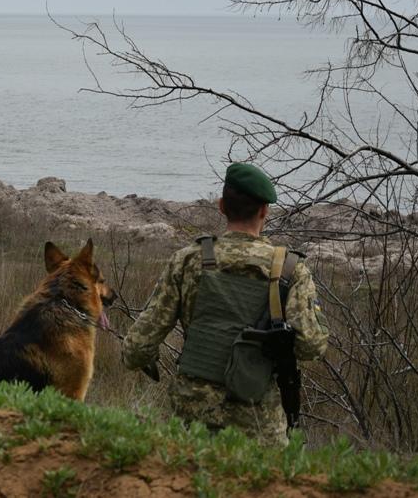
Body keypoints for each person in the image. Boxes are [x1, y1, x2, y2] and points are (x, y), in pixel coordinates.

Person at [121, 163, 329, 445]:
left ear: (221, 206)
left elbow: (136, 347)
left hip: (191, 419)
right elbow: (311, 346)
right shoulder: (290, 270)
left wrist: (148, 361)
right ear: (265, 211)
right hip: (258, 423)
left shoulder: (188, 260)